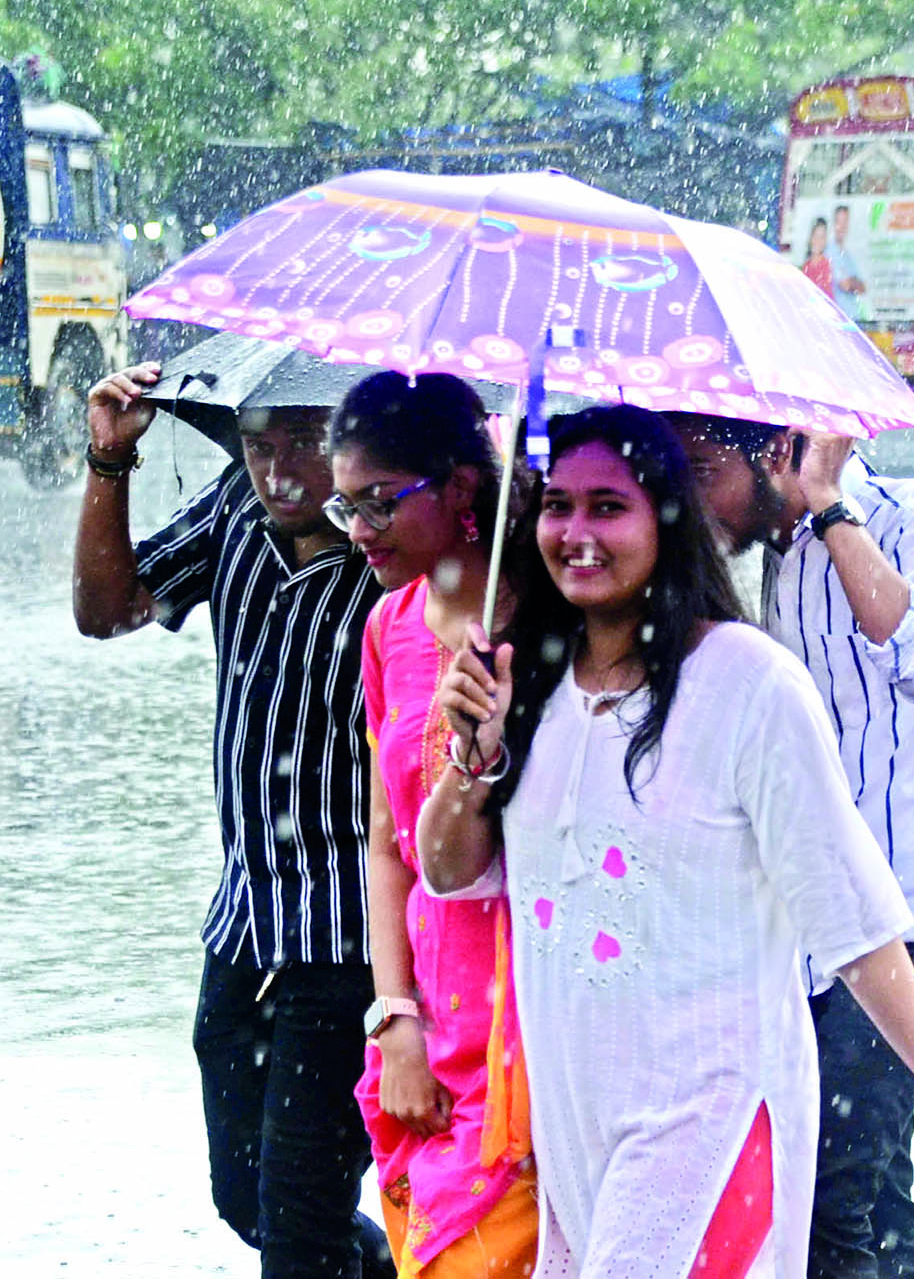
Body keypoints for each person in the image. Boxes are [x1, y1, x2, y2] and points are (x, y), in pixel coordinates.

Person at [413, 405, 914, 1279]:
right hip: (581, 1125)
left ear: (669, 520)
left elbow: (851, 915)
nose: (577, 533)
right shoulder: (524, 680)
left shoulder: (750, 684)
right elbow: (446, 871)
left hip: (714, 1116)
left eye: (609, 507)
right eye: (559, 505)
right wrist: (473, 754)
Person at [670, 414, 914, 1279]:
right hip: (837, 928)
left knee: (827, 1178)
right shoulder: (778, 566)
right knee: (874, 1187)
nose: (695, 500)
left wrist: (829, 506)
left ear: (777, 453)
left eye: (707, 470)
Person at [73, 361, 393, 1279]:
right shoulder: (235, 516)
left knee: (297, 1223)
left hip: (350, 941)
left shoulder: (398, 568)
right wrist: (108, 463)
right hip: (245, 921)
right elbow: (108, 611)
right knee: (247, 1199)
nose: (280, 474)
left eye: (306, 444)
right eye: (259, 446)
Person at [326, 371, 538, 1278]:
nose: (360, 533)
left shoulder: (550, 613)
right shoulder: (391, 626)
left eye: (379, 503)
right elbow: (385, 844)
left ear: (460, 488)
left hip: (531, 1015)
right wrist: (394, 1019)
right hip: (430, 1023)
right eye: (346, 510)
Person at [830, 204, 869, 321]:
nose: (842, 227)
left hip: (853, 318)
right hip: (839, 319)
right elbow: (845, 285)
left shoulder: (847, 255)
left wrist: (852, 283)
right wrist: (853, 282)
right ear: (833, 224)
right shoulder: (830, 251)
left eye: (845, 222)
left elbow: (863, 288)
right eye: (839, 222)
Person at [801, 216, 835, 298]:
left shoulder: (825, 265)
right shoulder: (806, 265)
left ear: (825, 240)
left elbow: (824, 294)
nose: (818, 241)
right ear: (810, 238)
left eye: (822, 237)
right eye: (815, 236)